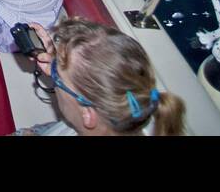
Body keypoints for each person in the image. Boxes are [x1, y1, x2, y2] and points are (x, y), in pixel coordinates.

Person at [20, 19, 186, 136]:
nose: (53, 73)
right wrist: (61, 65)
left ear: (88, 115)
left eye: (57, 78)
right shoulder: (136, 110)